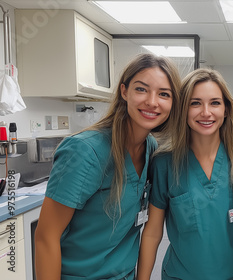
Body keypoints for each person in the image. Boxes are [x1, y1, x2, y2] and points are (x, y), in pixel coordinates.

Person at [34, 53, 181, 280]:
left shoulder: (150, 148)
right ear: (124, 91)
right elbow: (46, 237)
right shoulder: (85, 151)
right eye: (141, 89)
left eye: (164, 94)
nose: (152, 101)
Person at [137, 68, 233, 280]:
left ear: (226, 109)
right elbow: (152, 233)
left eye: (215, 103)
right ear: (183, 109)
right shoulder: (165, 163)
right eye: (195, 103)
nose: (206, 112)